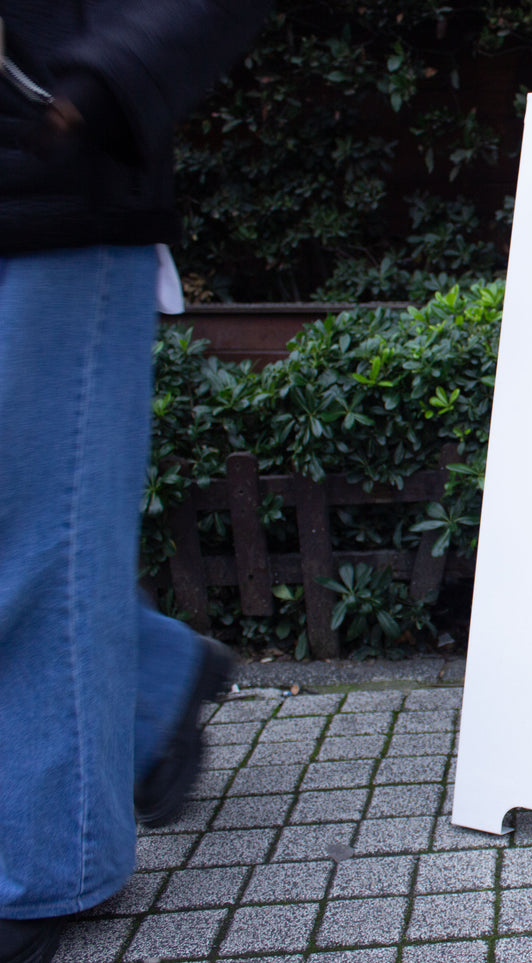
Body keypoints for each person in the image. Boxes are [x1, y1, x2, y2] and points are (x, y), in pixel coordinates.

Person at [0, 4, 273, 960]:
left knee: (34, 546)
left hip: (43, 189)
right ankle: (151, 672)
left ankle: (41, 871)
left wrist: (103, 82)